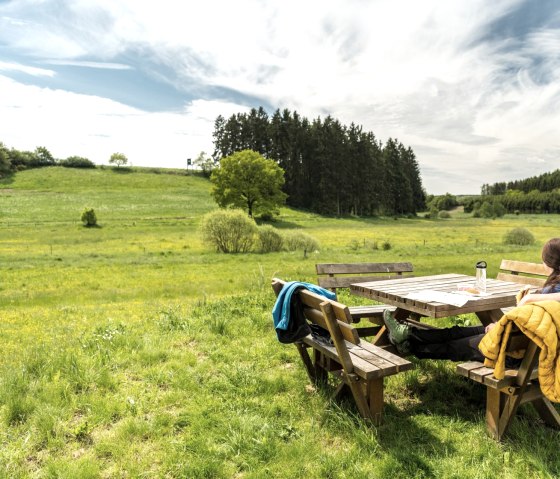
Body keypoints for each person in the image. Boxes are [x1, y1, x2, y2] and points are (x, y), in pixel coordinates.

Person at [382, 238, 560, 362]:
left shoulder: (546, 294)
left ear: (548, 262)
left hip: (513, 354)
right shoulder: (552, 291)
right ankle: (407, 333)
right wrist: (499, 326)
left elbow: (521, 321)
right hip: (520, 343)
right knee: (459, 332)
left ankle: (409, 345)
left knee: (454, 346)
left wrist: (500, 325)